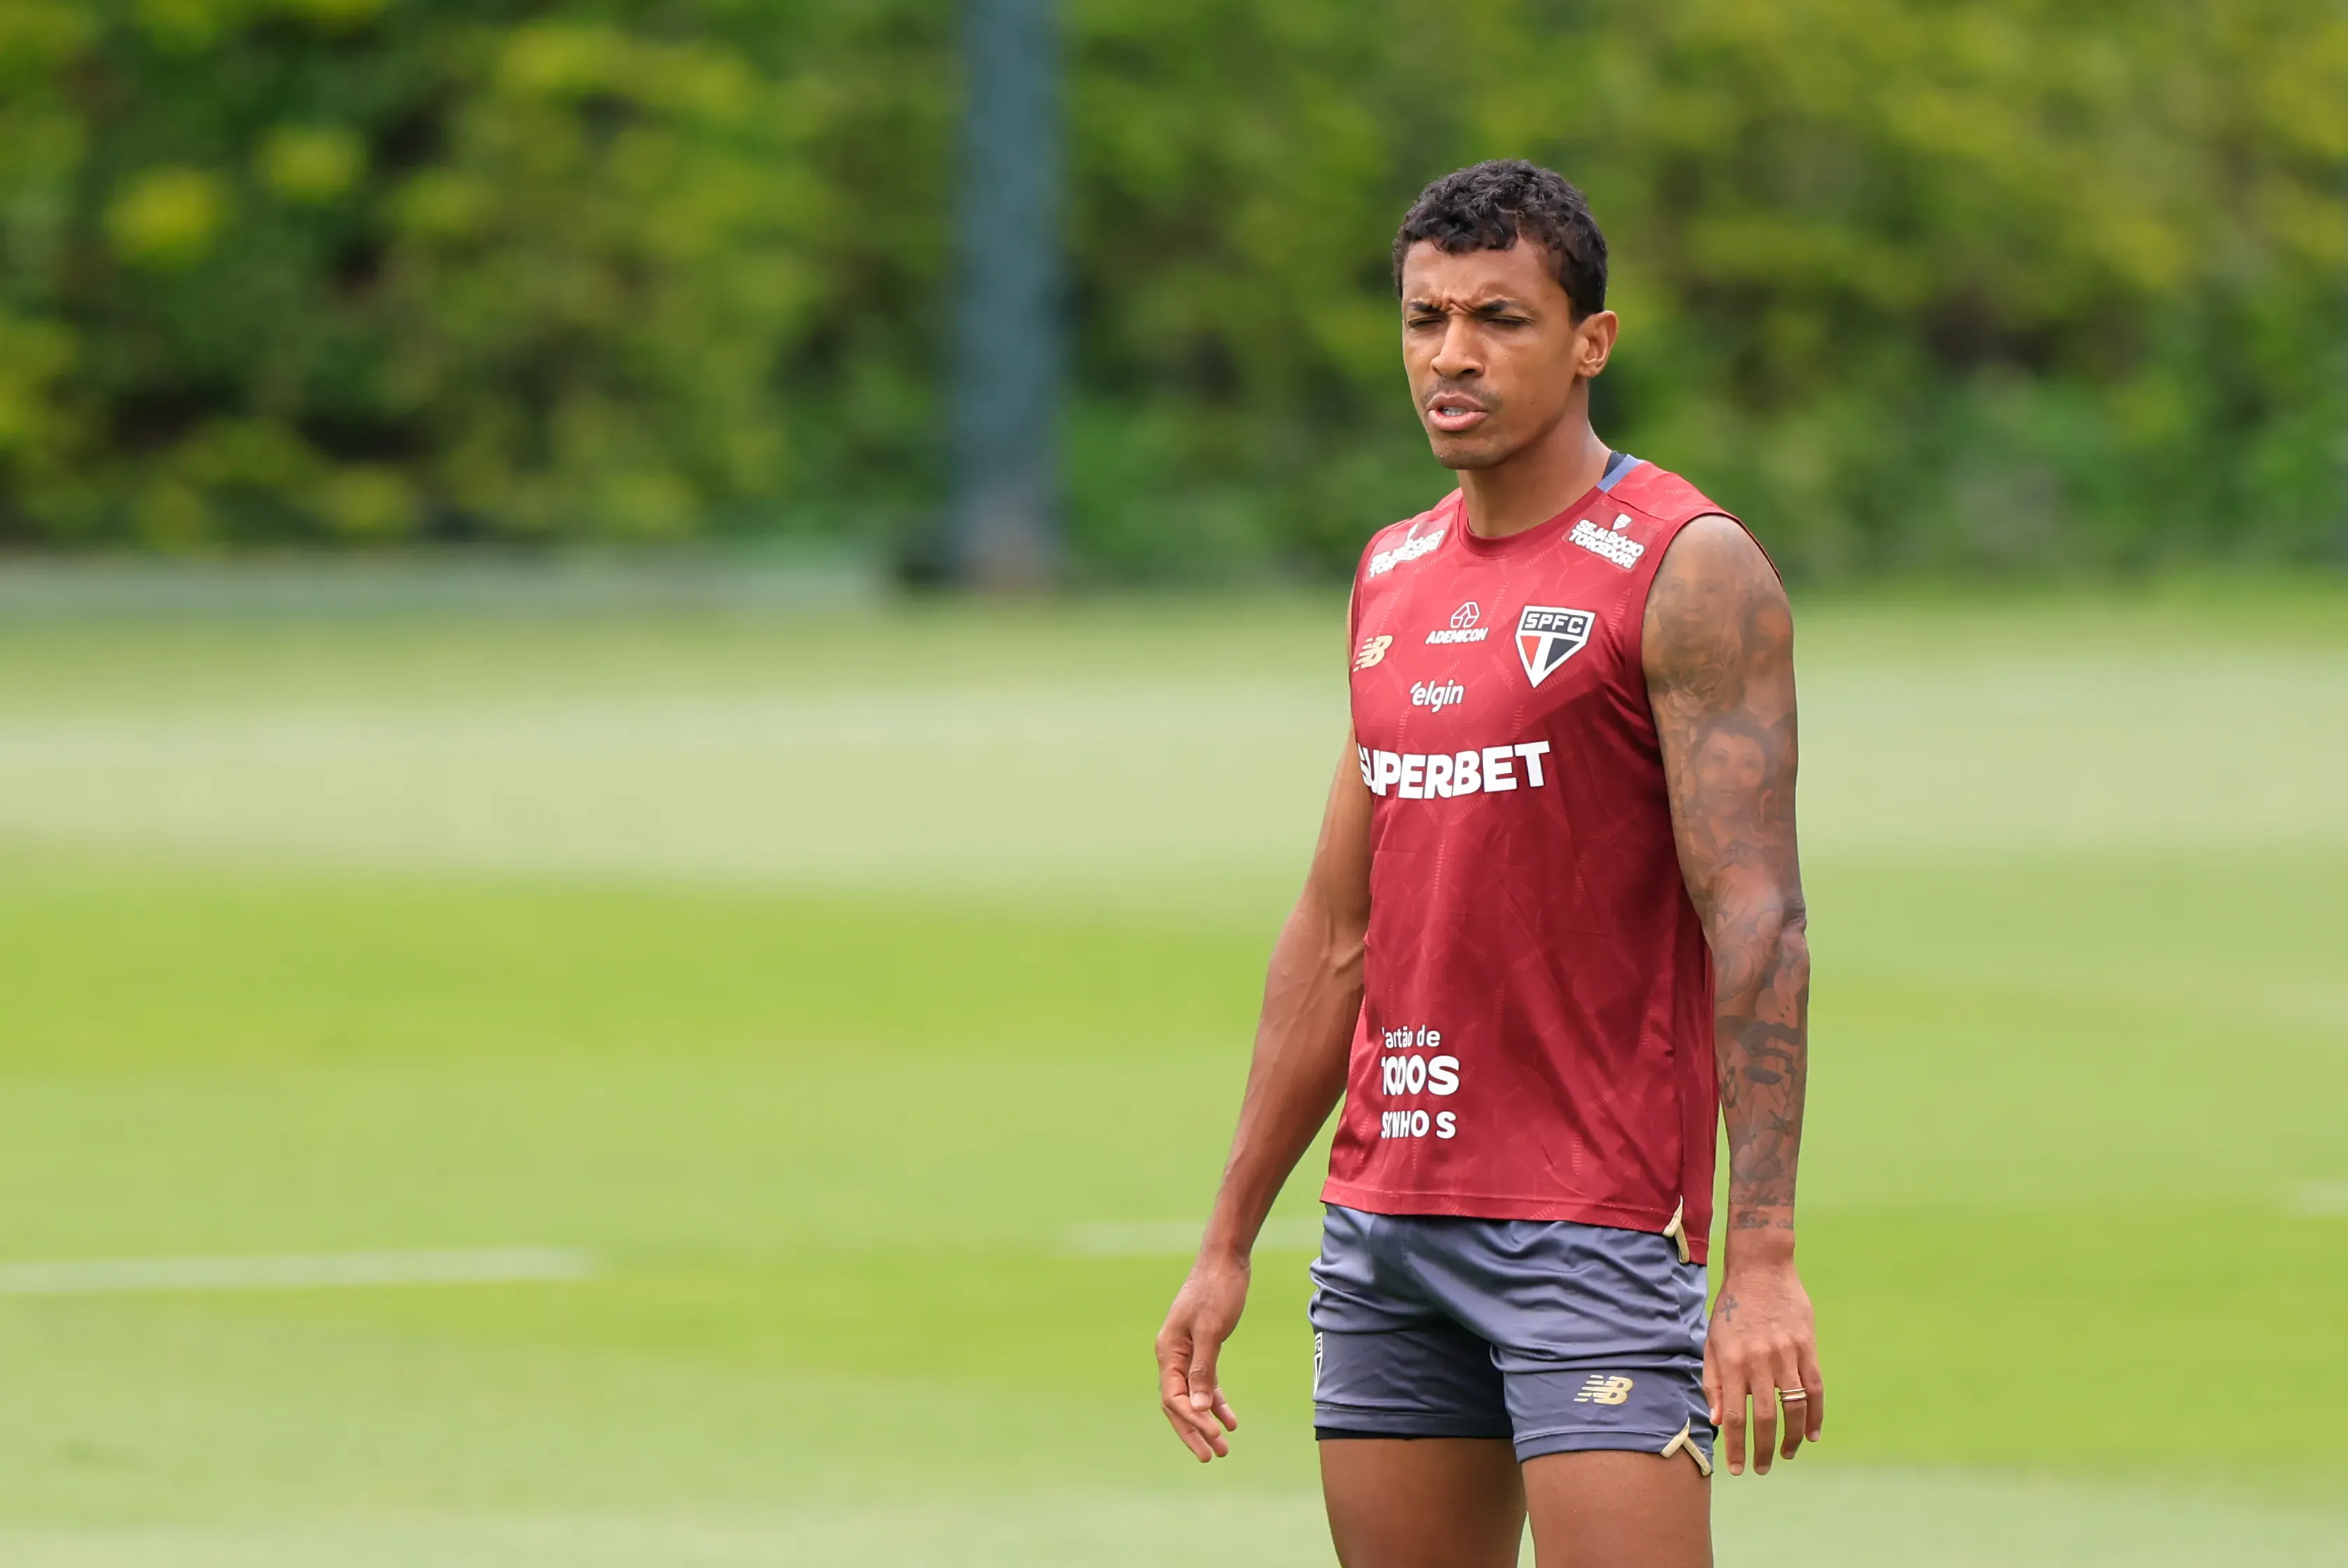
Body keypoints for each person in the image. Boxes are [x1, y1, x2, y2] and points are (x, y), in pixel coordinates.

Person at [1153, 160, 1820, 1567]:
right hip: (1386, 1231)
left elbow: (1755, 920)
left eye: (1499, 320)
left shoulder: (1684, 568)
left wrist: (1756, 1257)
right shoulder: (1391, 571)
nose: (1450, 355)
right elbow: (1340, 930)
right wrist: (1226, 1239)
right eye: (1423, 318)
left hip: (1590, 1224)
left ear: (1590, 342)